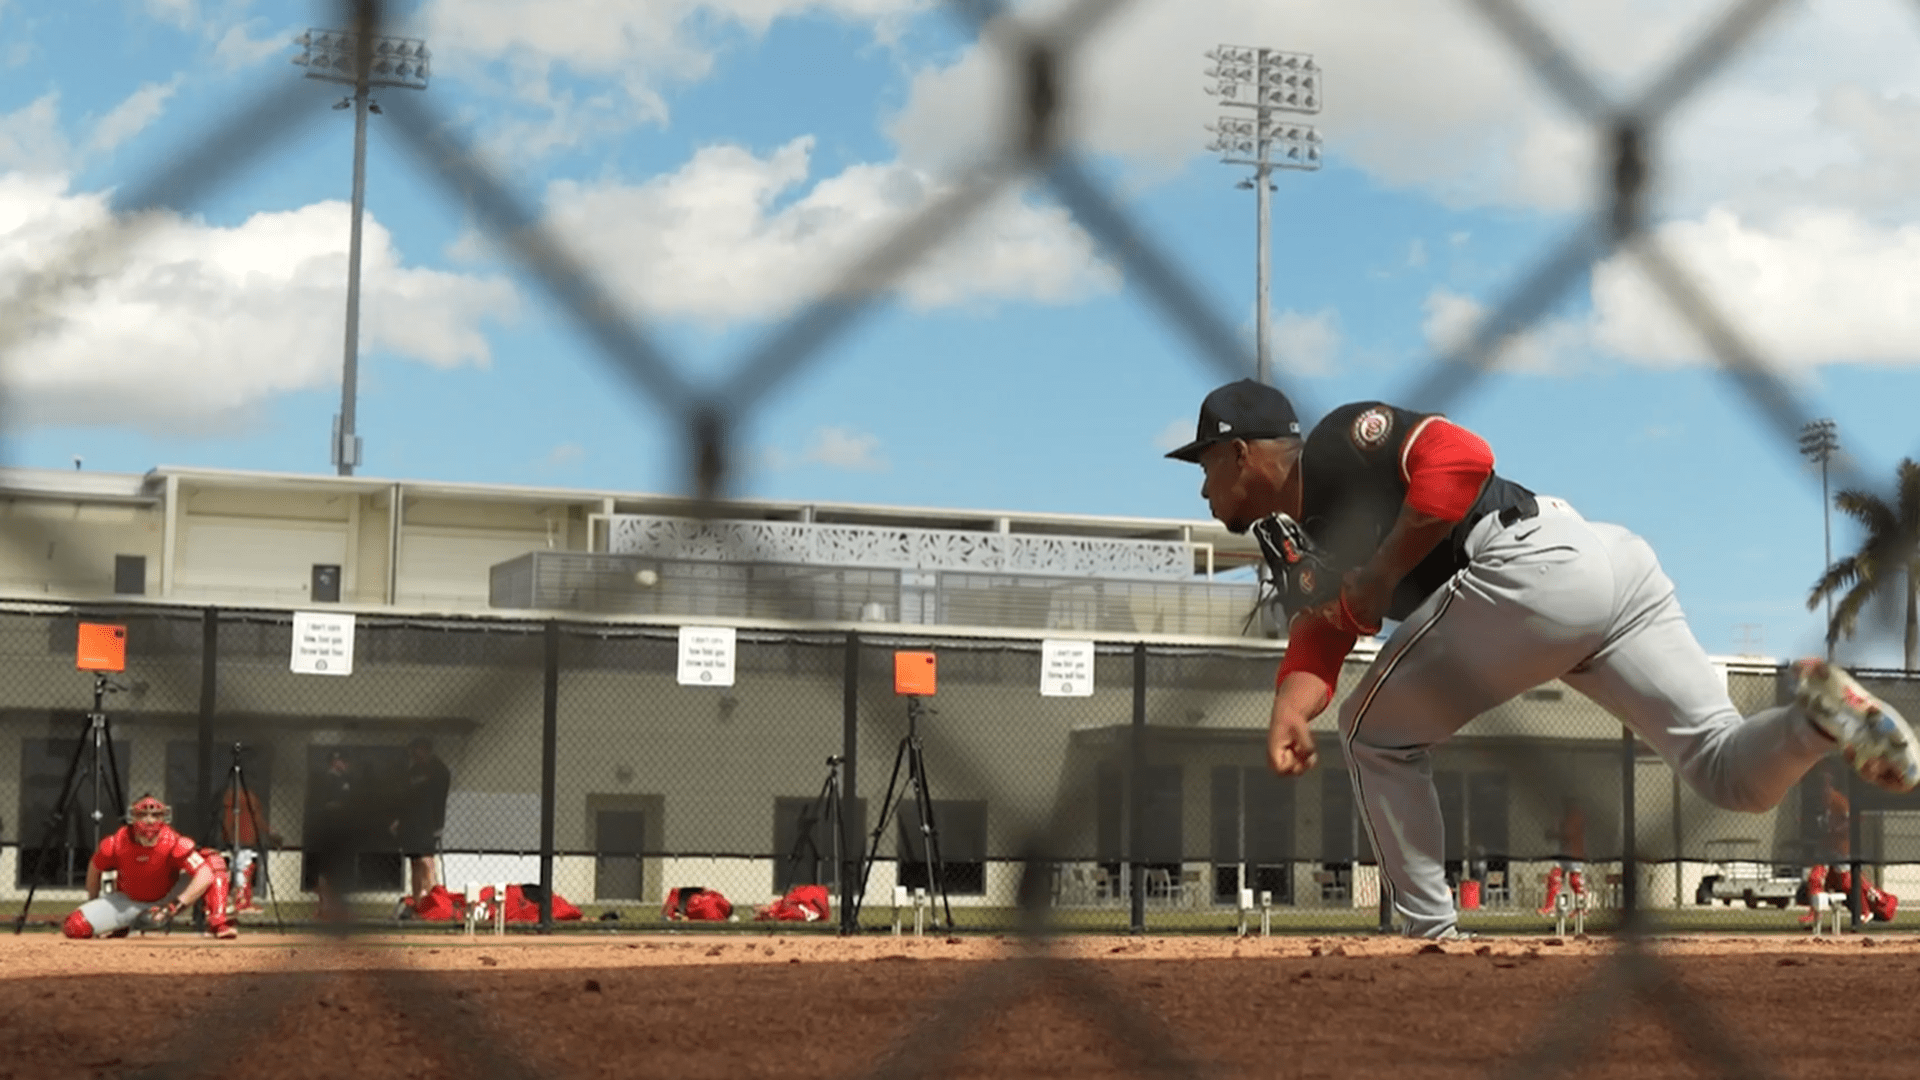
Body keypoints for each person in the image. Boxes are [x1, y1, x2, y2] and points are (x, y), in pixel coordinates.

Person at [1166, 379, 1920, 940]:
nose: (1202, 487)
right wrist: (1291, 709)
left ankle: (1427, 937)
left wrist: (1384, 572)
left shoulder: (1337, 442)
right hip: (1603, 569)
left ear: (1241, 453)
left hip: (1531, 559)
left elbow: (1462, 458)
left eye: (1204, 465)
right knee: (1728, 773)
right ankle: (1817, 723)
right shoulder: (1303, 540)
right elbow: (1322, 632)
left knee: (1372, 733)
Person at [63, 794, 236, 940]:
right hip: (129, 901)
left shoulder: (174, 841)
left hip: (169, 897)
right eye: (143, 815)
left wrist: (173, 907)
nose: (149, 821)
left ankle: (218, 922)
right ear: (133, 817)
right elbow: (95, 869)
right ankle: (124, 923)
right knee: (75, 926)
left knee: (214, 861)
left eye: (155, 815)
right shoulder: (115, 844)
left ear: (164, 818)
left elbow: (204, 874)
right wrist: (95, 902)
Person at [391, 737, 451, 906]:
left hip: (427, 823)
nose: (415, 754)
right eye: (413, 750)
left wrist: (438, 824)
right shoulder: (413, 771)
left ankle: (434, 902)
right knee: (415, 862)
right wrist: (399, 819)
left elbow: (440, 798)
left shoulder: (438, 770)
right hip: (411, 824)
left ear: (426, 750)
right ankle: (418, 902)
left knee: (426, 861)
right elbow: (405, 797)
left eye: (418, 749)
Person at [217, 781, 281, 915]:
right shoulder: (242, 795)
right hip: (243, 838)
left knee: (242, 868)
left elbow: (230, 818)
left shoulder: (237, 795)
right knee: (243, 868)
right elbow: (254, 818)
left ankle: (241, 900)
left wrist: (226, 835)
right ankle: (241, 901)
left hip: (240, 838)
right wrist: (269, 832)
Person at [1537, 797, 1587, 916]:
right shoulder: (1562, 816)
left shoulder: (1577, 815)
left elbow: (1569, 834)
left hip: (1575, 852)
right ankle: (1550, 907)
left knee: (1575, 881)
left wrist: (1554, 835)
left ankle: (1582, 907)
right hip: (1563, 852)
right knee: (1555, 877)